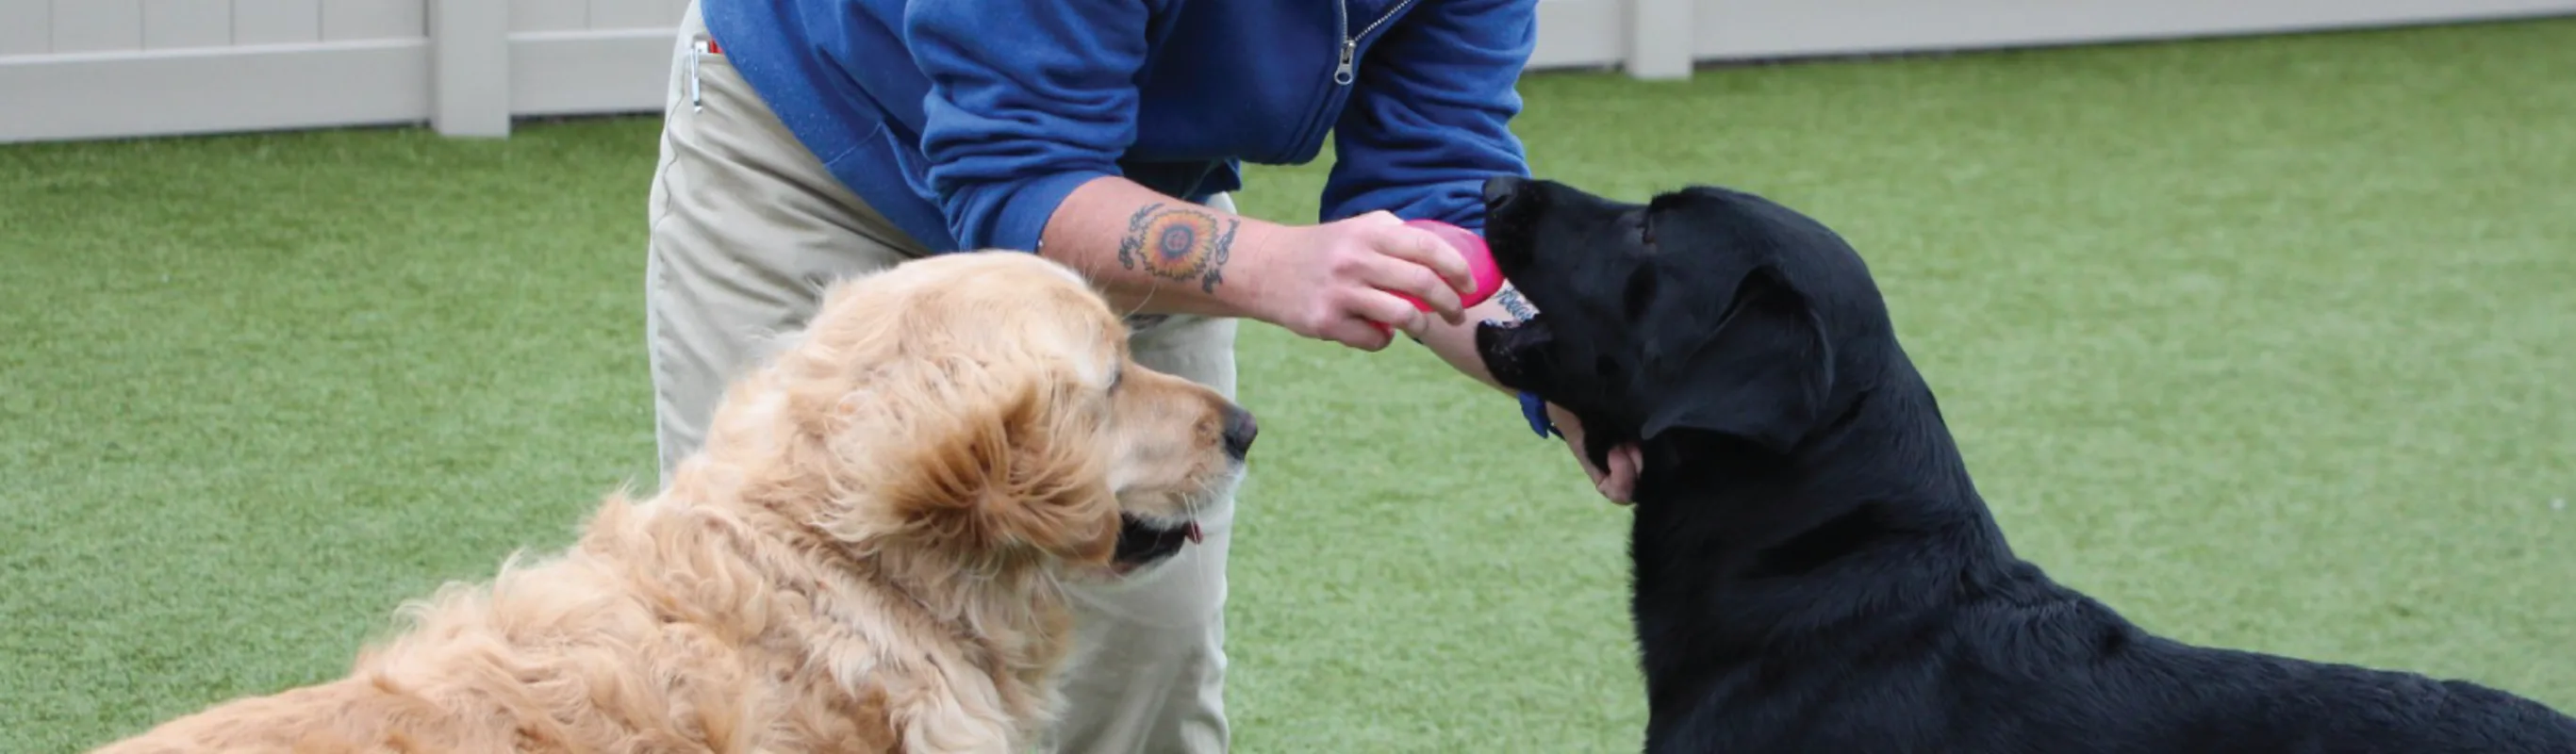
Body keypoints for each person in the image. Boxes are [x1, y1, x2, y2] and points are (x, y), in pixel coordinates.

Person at [640, 0, 1642, 750]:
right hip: (828, 155)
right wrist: (1269, 264)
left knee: (1142, 659)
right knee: (783, 646)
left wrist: (1563, 375)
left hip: (1120, 197)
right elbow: (1012, 173)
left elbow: (1432, 180)